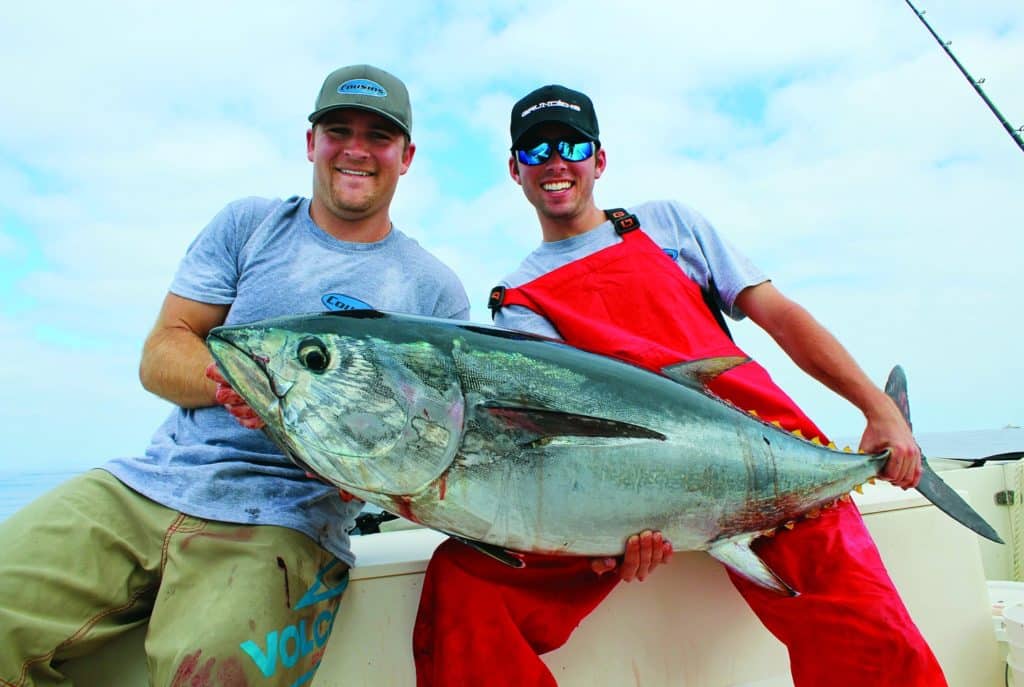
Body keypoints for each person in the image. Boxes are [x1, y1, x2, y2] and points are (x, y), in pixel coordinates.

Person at [412, 84, 943, 686]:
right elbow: (565, 442)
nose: (556, 162)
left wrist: (879, 410)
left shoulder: (669, 225)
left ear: (599, 159)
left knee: (877, 642)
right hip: (627, 490)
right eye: (536, 151)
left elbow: (781, 317)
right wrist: (614, 534)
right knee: (467, 584)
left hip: (769, 465)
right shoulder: (518, 301)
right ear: (515, 169)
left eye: (572, 144)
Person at [0, 64, 469, 686]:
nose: (356, 149)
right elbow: (162, 351)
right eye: (338, 130)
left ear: (405, 157)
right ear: (311, 143)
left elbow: (430, 446)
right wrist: (239, 381)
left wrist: (362, 469)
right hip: (150, 484)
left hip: (288, 519)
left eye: (378, 136)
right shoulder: (249, 225)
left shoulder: (434, 293)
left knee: (211, 669)